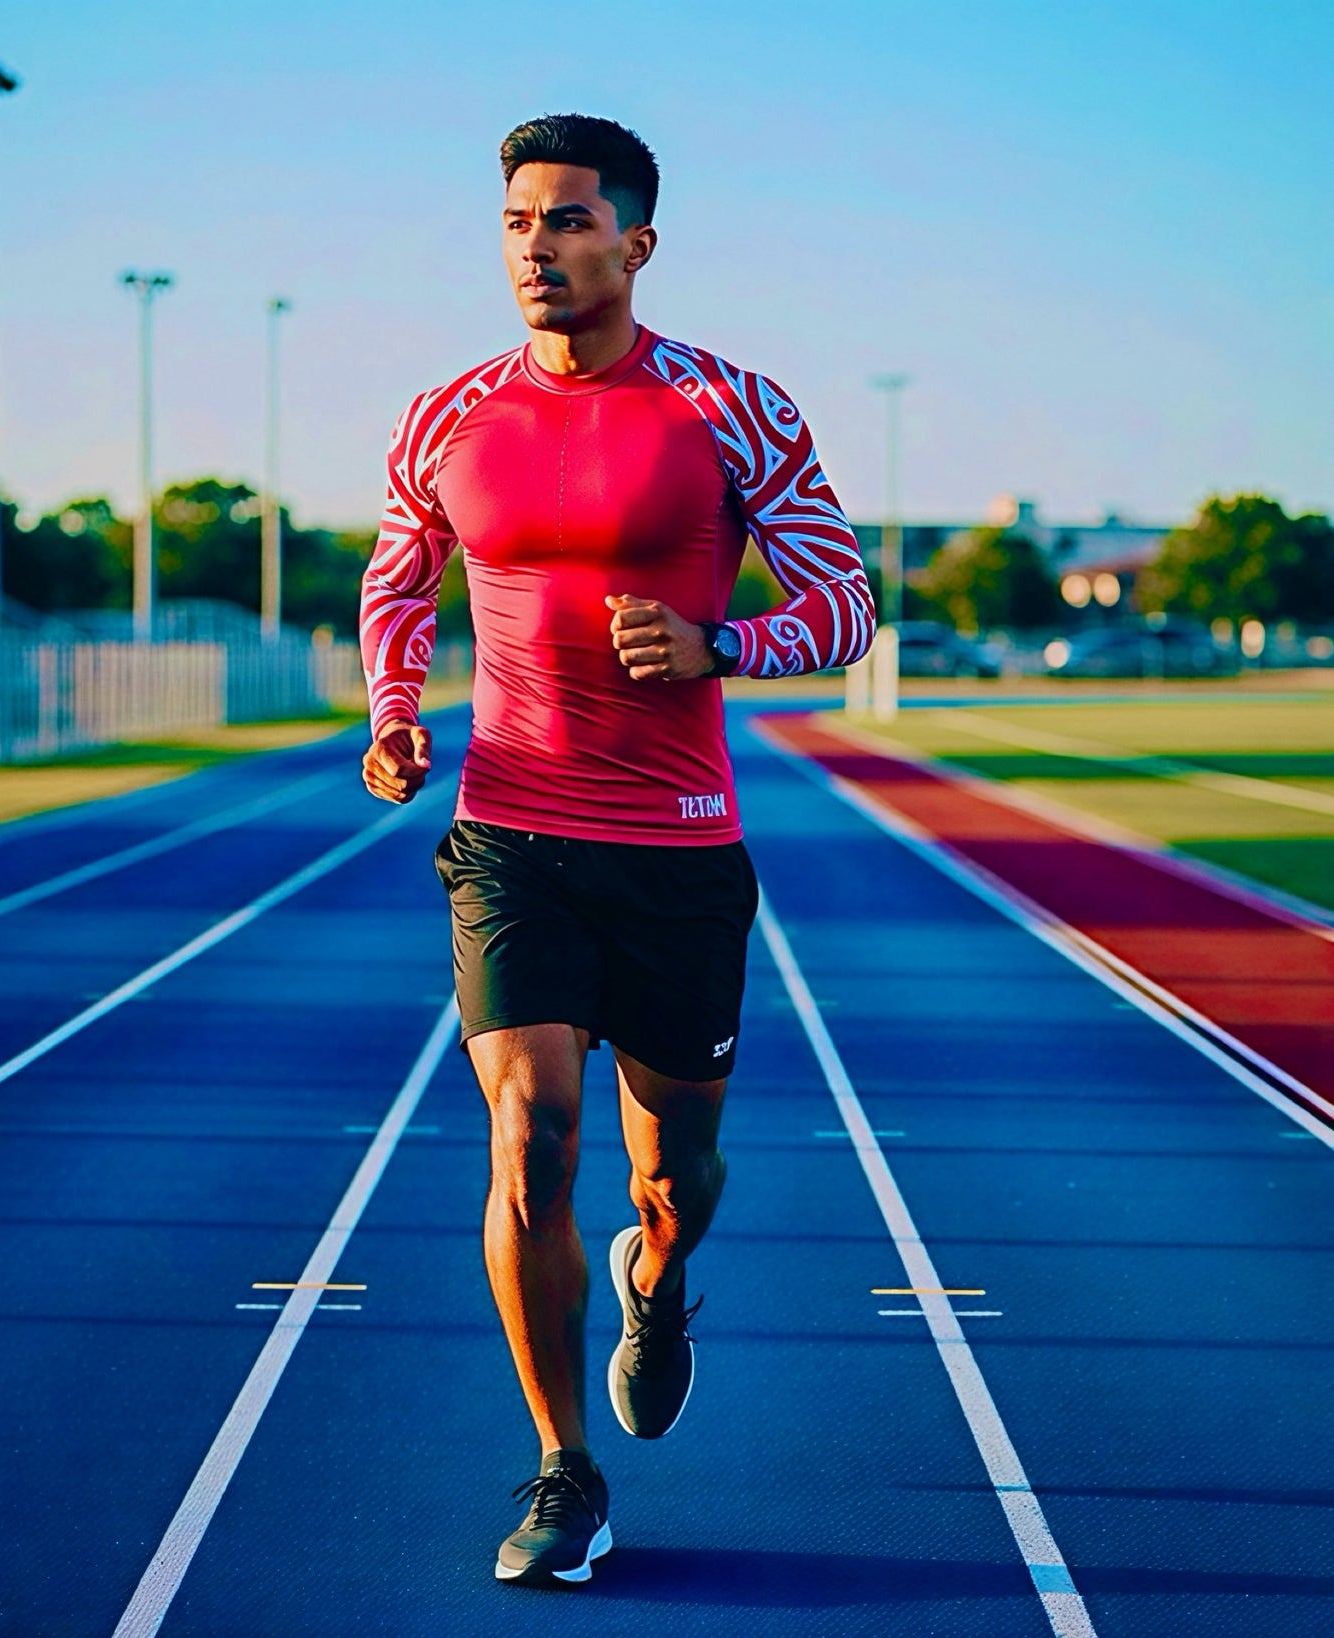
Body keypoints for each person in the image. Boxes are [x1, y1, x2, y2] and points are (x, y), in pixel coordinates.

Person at [359, 112, 874, 1586]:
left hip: (678, 848)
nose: (538, 245)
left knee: (675, 1173)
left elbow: (843, 603)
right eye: (519, 221)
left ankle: (660, 1277)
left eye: (570, 220)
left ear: (634, 243)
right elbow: (397, 581)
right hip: (510, 828)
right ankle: (562, 1468)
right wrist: (395, 713)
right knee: (529, 1138)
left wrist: (724, 641)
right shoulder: (445, 413)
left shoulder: (733, 407)